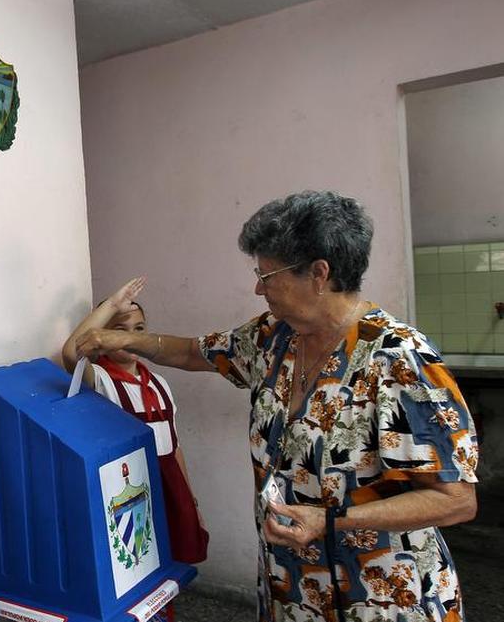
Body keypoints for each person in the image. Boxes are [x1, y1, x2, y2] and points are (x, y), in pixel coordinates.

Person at [75, 191, 478, 622]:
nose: (257, 287)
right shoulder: (277, 336)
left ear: (319, 274)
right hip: (292, 584)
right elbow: (198, 352)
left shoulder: (398, 359)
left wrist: (329, 521)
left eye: (267, 275)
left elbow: (455, 499)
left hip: (382, 595)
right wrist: (124, 340)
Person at [61, 276, 209, 565]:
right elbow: (71, 352)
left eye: (138, 329)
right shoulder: (101, 381)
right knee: (138, 562)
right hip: (130, 494)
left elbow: (174, 446)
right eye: (119, 330)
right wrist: (113, 304)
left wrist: (190, 500)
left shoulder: (159, 384)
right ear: (102, 337)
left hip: (169, 485)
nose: (129, 336)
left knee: (171, 561)